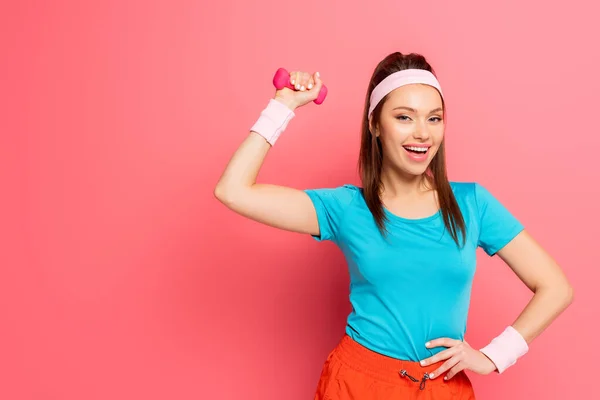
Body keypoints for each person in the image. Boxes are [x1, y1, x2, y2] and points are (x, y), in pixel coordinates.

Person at [214, 52, 574, 399]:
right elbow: (233, 190)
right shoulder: (345, 208)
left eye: (434, 118)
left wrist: (496, 355)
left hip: (443, 388)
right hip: (357, 384)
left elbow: (555, 287)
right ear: (375, 125)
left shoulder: (472, 204)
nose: (423, 134)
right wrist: (283, 106)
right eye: (405, 117)